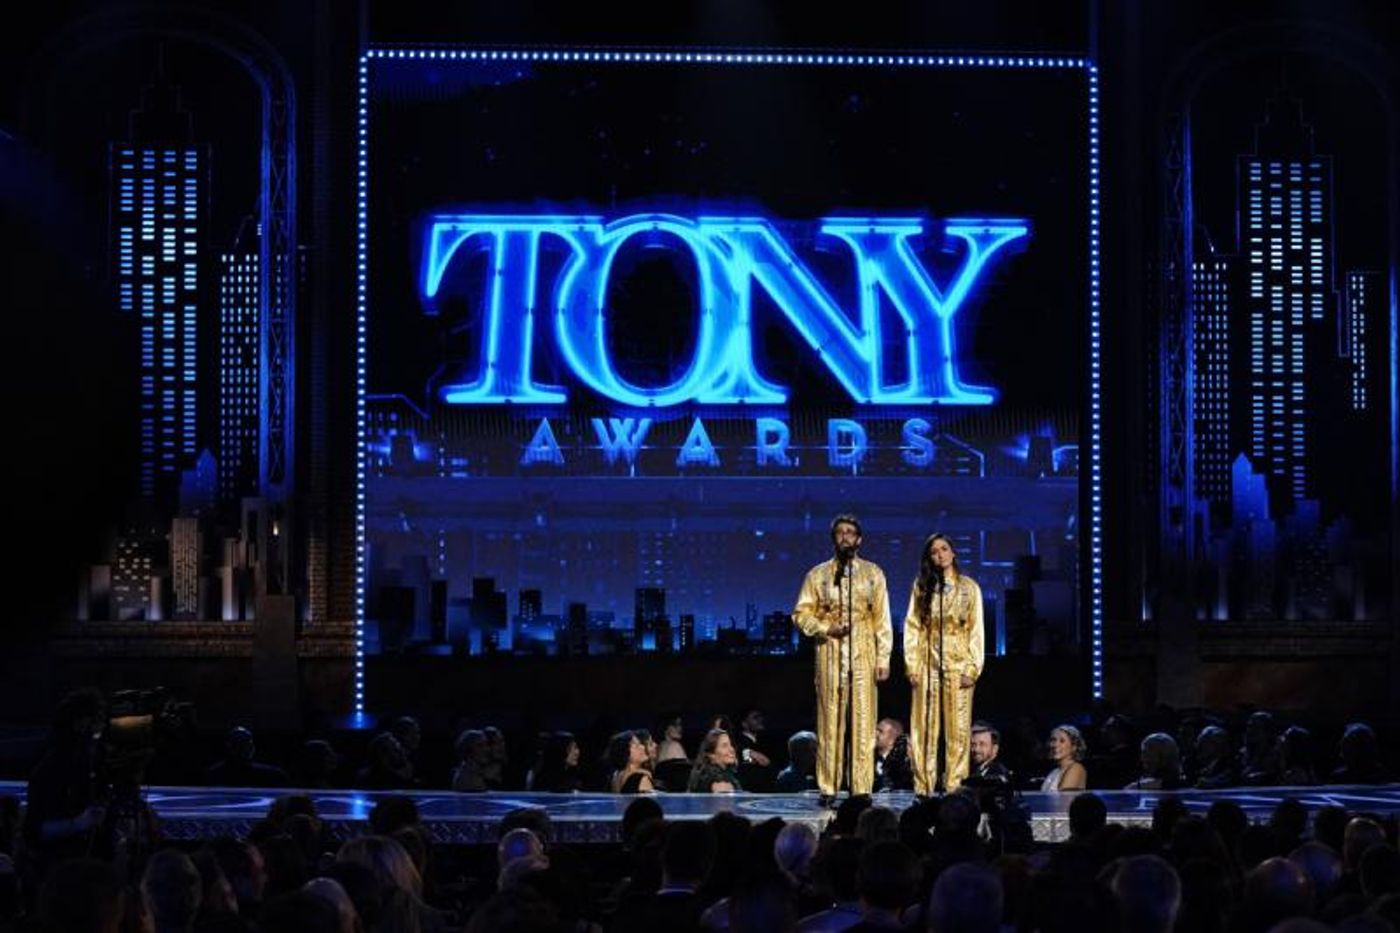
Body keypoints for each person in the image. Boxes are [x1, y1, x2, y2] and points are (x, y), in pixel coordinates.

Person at [792, 514, 892, 804]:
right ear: (833, 538)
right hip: (830, 652)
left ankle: (861, 788)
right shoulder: (818, 574)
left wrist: (883, 657)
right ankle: (828, 787)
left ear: (859, 539)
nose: (845, 537)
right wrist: (825, 627)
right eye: (840, 532)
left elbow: (882, 619)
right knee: (829, 720)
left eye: (850, 532)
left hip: (863, 651)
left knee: (863, 721)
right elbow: (801, 614)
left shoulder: (873, 573)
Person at [903, 533, 985, 794]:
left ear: (953, 553)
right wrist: (912, 665)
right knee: (924, 728)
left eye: (944, 549)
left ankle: (955, 788)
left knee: (958, 731)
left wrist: (973, 668)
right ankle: (923, 788)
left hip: (958, 665)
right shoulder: (922, 586)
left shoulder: (969, 588)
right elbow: (913, 627)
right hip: (928, 664)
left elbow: (976, 630)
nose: (939, 554)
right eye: (934, 551)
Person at [1041, 724, 1088, 791]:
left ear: (1073, 747)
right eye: (1053, 740)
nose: (1055, 745)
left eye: (1062, 741)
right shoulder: (1054, 771)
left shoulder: (1076, 768)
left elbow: (1063, 799)